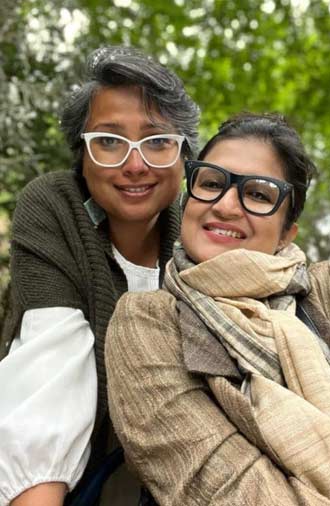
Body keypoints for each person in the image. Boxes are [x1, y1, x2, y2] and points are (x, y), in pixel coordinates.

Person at [104, 113, 330, 505]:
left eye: (258, 194)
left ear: (286, 232)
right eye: (210, 183)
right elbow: (221, 485)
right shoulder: (145, 321)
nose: (225, 206)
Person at [0, 47, 199, 505]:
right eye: (109, 141)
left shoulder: (201, 231)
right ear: (82, 154)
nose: (134, 165)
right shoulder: (55, 206)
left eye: (156, 141)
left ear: (184, 154)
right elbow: (48, 379)